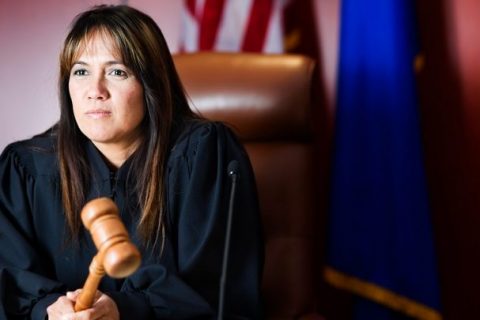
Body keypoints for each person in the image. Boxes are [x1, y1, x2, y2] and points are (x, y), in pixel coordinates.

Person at [0, 4, 263, 320]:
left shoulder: (203, 155)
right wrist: (50, 310)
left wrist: (122, 309)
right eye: (81, 71)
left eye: (117, 72)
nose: (94, 91)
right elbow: (10, 283)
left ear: (150, 85)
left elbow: (217, 291)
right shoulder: (25, 168)